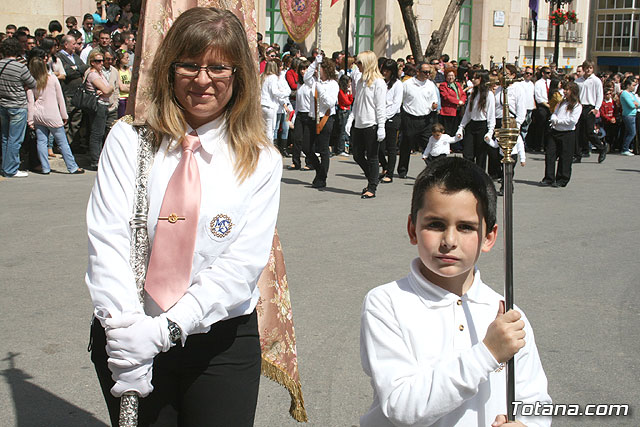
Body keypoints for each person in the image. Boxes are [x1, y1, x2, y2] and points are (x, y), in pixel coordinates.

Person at [86, 7, 281, 426]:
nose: (203, 79)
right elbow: (108, 242)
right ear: (169, 69)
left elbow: (242, 265)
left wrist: (164, 332)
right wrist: (129, 336)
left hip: (218, 344)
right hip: (128, 331)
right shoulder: (128, 140)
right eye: (189, 64)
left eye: (218, 67)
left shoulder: (261, 159)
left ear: (240, 75)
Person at [360, 157, 551, 427]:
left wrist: (528, 424)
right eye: (435, 224)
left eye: (466, 227)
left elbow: (534, 398)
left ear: (489, 237)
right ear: (412, 229)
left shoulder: (507, 315)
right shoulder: (387, 303)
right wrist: (487, 354)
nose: (449, 241)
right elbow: (401, 405)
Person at [26, 56, 84, 174]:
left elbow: (30, 102)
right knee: (62, 142)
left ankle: (45, 167)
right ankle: (72, 167)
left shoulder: (31, 82)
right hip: (52, 114)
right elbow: (60, 98)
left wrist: (30, 120)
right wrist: (64, 115)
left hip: (38, 114)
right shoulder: (52, 78)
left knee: (41, 141)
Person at [347, 51, 386, 199]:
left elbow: (380, 106)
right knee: (357, 155)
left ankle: (372, 187)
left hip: (372, 124)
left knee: (372, 156)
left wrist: (381, 126)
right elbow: (357, 103)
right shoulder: (360, 81)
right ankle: (373, 178)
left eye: (360, 63)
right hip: (359, 123)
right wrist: (351, 118)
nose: (357, 65)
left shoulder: (378, 83)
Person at [0, 37, 37, 177]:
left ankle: (5, 167)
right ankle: (11, 169)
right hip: (18, 105)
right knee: (15, 139)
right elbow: (32, 83)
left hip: (3, 104)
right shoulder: (19, 66)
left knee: (5, 137)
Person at [303, 54, 339, 189]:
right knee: (306, 146)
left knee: (323, 149)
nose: (317, 71)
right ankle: (319, 170)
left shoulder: (333, 84)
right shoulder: (314, 81)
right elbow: (306, 77)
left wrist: (321, 90)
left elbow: (330, 103)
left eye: (320, 69)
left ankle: (322, 178)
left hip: (326, 118)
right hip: (312, 117)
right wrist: (314, 63)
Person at [399, 62, 439, 178]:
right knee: (406, 146)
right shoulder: (407, 84)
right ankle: (402, 170)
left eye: (429, 72)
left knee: (428, 146)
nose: (428, 74)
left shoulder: (430, 85)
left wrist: (434, 106)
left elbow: (433, 101)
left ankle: (432, 170)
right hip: (410, 118)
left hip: (425, 119)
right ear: (418, 72)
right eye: (425, 72)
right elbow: (400, 99)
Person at [541, 81, 582, 187]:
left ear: (573, 91)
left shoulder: (577, 106)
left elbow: (572, 121)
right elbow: (555, 112)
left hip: (567, 133)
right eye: (564, 89)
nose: (564, 91)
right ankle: (549, 177)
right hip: (555, 131)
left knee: (565, 157)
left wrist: (558, 121)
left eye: (567, 89)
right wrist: (554, 118)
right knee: (550, 154)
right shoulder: (562, 102)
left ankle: (562, 179)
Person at [457, 69, 495, 171]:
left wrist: (490, 131)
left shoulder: (489, 95)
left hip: (482, 125)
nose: (473, 80)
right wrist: (461, 127)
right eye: (473, 77)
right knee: (468, 153)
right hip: (472, 124)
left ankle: (480, 178)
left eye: (476, 78)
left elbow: (491, 115)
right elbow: (468, 113)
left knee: (481, 155)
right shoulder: (473, 93)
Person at [57, 33, 88, 151]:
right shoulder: (59, 57)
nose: (76, 46)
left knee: (76, 120)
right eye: (73, 43)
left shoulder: (75, 56)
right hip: (67, 93)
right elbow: (67, 73)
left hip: (78, 93)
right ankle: (64, 146)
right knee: (66, 119)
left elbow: (84, 67)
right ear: (66, 44)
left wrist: (77, 68)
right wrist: (76, 70)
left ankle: (73, 143)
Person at [84, 49, 113, 170]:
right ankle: (95, 160)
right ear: (92, 62)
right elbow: (107, 90)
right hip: (98, 106)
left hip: (104, 104)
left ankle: (100, 158)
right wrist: (109, 88)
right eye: (98, 61)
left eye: (102, 61)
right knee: (97, 133)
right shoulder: (93, 74)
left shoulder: (100, 74)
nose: (101, 63)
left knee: (102, 132)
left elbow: (107, 90)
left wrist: (107, 89)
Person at [575, 60, 607, 163]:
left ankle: (601, 148)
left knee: (589, 132)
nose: (588, 70)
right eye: (586, 68)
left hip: (590, 107)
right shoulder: (578, 81)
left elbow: (599, 95)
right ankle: (578, 154)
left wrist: (596, 108)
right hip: (580, 107)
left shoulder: (596, 80)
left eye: (590, 68)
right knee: (578, 132)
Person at [378, 59, 403, 183]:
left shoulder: (398, 84)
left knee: (391, 147)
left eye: (387, 71)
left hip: (392, 117)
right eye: (384, 70)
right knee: (379, 146)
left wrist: (386, 117)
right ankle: (384, 166)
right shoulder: (381, 82)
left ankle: (390, 173)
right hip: (380, 116)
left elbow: (396, 103)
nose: (385, 73)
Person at [260, 59, 289, 144]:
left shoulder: (262, 76)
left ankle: (263, 146)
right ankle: (269, 147)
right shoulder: (273, 77)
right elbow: (275, 92)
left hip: (262, 104)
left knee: (263, 128)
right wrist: (285, 93)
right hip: (270, 105)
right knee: (270, 129)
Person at [438, 67, 466, 140]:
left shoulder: (457, 84)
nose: (451, 77)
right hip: (448, 110)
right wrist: (457, 101)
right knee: (448, 129)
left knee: (456, 127)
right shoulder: (443, 85)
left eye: (452, 75)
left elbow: (463, 94)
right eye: (449, 76)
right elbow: (446, 97)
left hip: (458, 110)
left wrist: (462, 101)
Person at [619, 76, 639, 156]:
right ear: (628, 85)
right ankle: (625, 148)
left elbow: (638, 103)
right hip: (628, 115)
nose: (634, 87)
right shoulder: (624, 93)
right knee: (632, 132)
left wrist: (636, 104)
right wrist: (635, 104)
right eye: (633, 85)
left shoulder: (631, 94)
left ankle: (625, 148)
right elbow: (631, 105)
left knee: (628, 132)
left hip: (633, 114)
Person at [115, 48, 131, 118]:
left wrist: (127, 86)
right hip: (121, 98)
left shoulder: (128, 69)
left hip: (129, 97)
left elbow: (133, 84)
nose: (128, 59)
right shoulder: (117, 70)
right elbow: (122, 87)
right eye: (126, 57)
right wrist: (130, 87)